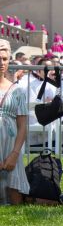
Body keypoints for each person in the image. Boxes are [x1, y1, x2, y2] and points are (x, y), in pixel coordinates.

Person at [0, 39, 29, 205]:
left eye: (4, 59)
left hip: (11, 144)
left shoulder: (17, 90)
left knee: (14, 189)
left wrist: (15, 154)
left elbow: (22, 125)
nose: (1, 63)